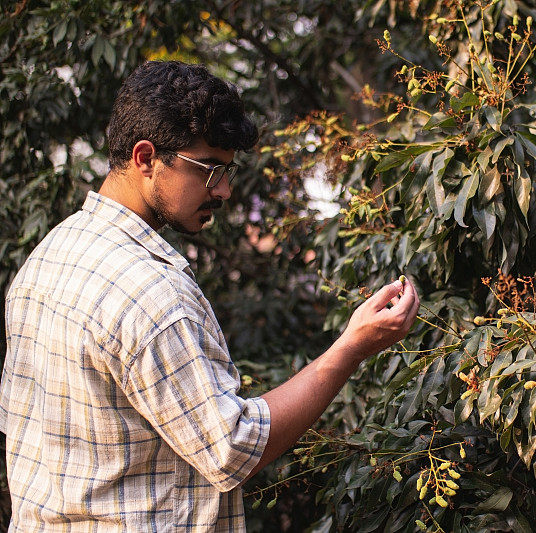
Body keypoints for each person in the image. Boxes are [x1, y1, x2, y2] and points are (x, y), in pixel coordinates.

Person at [0, 60, 419, 531]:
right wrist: (352, 346)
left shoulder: (51, 253)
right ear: (146, 158)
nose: (222, 190)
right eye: (208, 169)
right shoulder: (150, 295)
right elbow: (232, 448)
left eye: (228, 170)